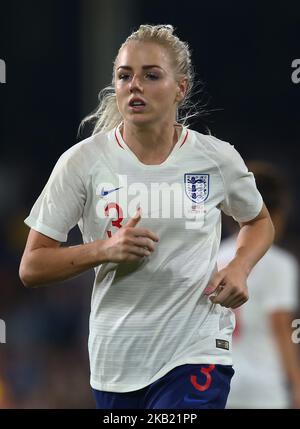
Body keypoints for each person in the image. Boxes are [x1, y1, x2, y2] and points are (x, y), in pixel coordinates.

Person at [19, 24, 274, 409]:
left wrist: (239, 266)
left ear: (180, 88)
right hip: (116, 360)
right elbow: (32, 267)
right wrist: (104, 249)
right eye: (125, 76)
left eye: (151, 75)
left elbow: (258, 221)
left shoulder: (215, 158)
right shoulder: (82, 162)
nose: (135, 85)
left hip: (197, 350)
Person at [218, 161, 300, 409]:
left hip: (220, 380)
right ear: (276, 213)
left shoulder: (215, 258)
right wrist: (296, 384)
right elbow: (281, 327)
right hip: (263, 386)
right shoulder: (279, 264)